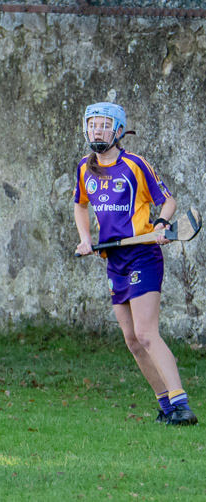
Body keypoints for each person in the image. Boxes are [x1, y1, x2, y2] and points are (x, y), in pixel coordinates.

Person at [73, 101, 196, 426]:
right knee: (131, 339)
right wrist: (85, 239)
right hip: (115, 259)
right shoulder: (85, 169)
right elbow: (80, 206)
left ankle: (181, 404)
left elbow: (167, 201)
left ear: (117, 130)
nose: (96, 130)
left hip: (144, 255)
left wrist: (159, 225)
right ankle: (165, 406)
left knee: (145, 333)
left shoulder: (135, 165)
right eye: (92, 124)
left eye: (102, 125)